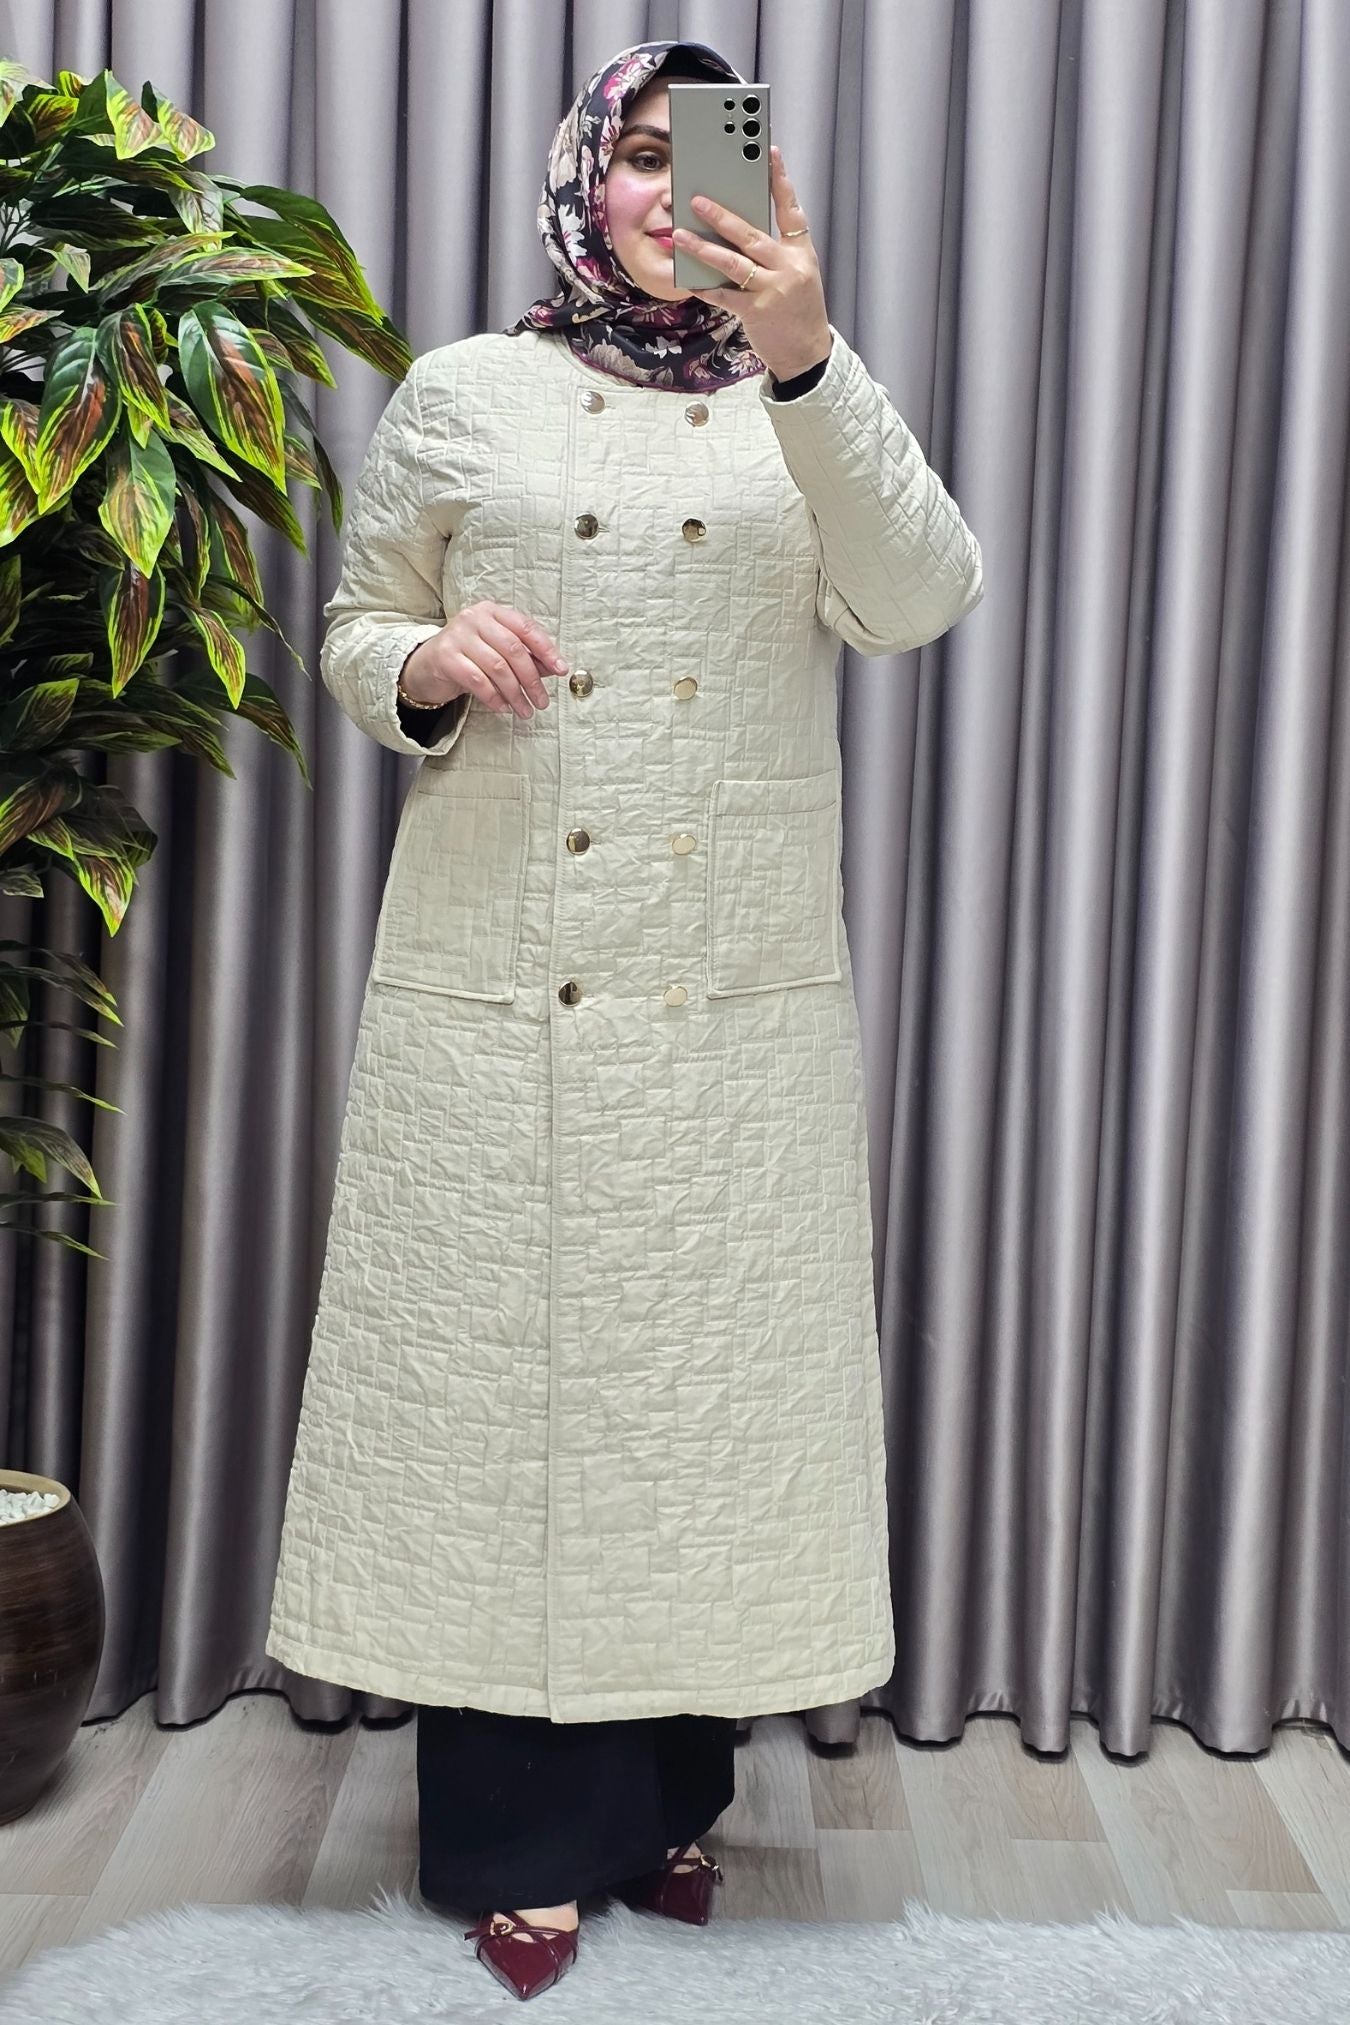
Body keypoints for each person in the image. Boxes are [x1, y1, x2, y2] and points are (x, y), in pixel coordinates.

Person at [265, 35, 983, 2004]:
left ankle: (665, 1802)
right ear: (588, 177)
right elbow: (352, 629)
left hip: (727, 994)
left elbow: (920, 595)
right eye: (644, 154)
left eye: (708, 152)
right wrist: (429, 656)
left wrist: (808, 359)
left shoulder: (802, 393)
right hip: (504, 978)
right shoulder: (464, 391)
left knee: (699, 1413)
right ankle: (517, 1848)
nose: (675, 187)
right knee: (508, 1407)